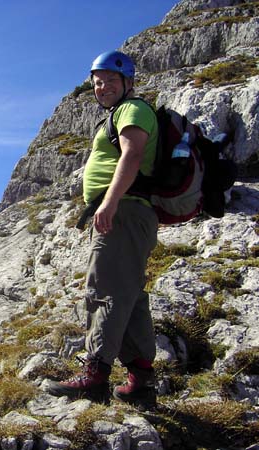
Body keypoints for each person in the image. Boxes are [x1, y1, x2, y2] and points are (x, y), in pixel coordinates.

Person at [44, 50, 159, 408]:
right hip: (128, 212)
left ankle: (95, 376)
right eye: (97, 82)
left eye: (110, 79)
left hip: (123, 210)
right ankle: (140, 380)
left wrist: (109, 202)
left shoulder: (133, 109)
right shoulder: (118, 113)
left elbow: (132, 155)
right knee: (129, 296)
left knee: (104, 290)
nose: (102, 86)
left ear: (128, 82)